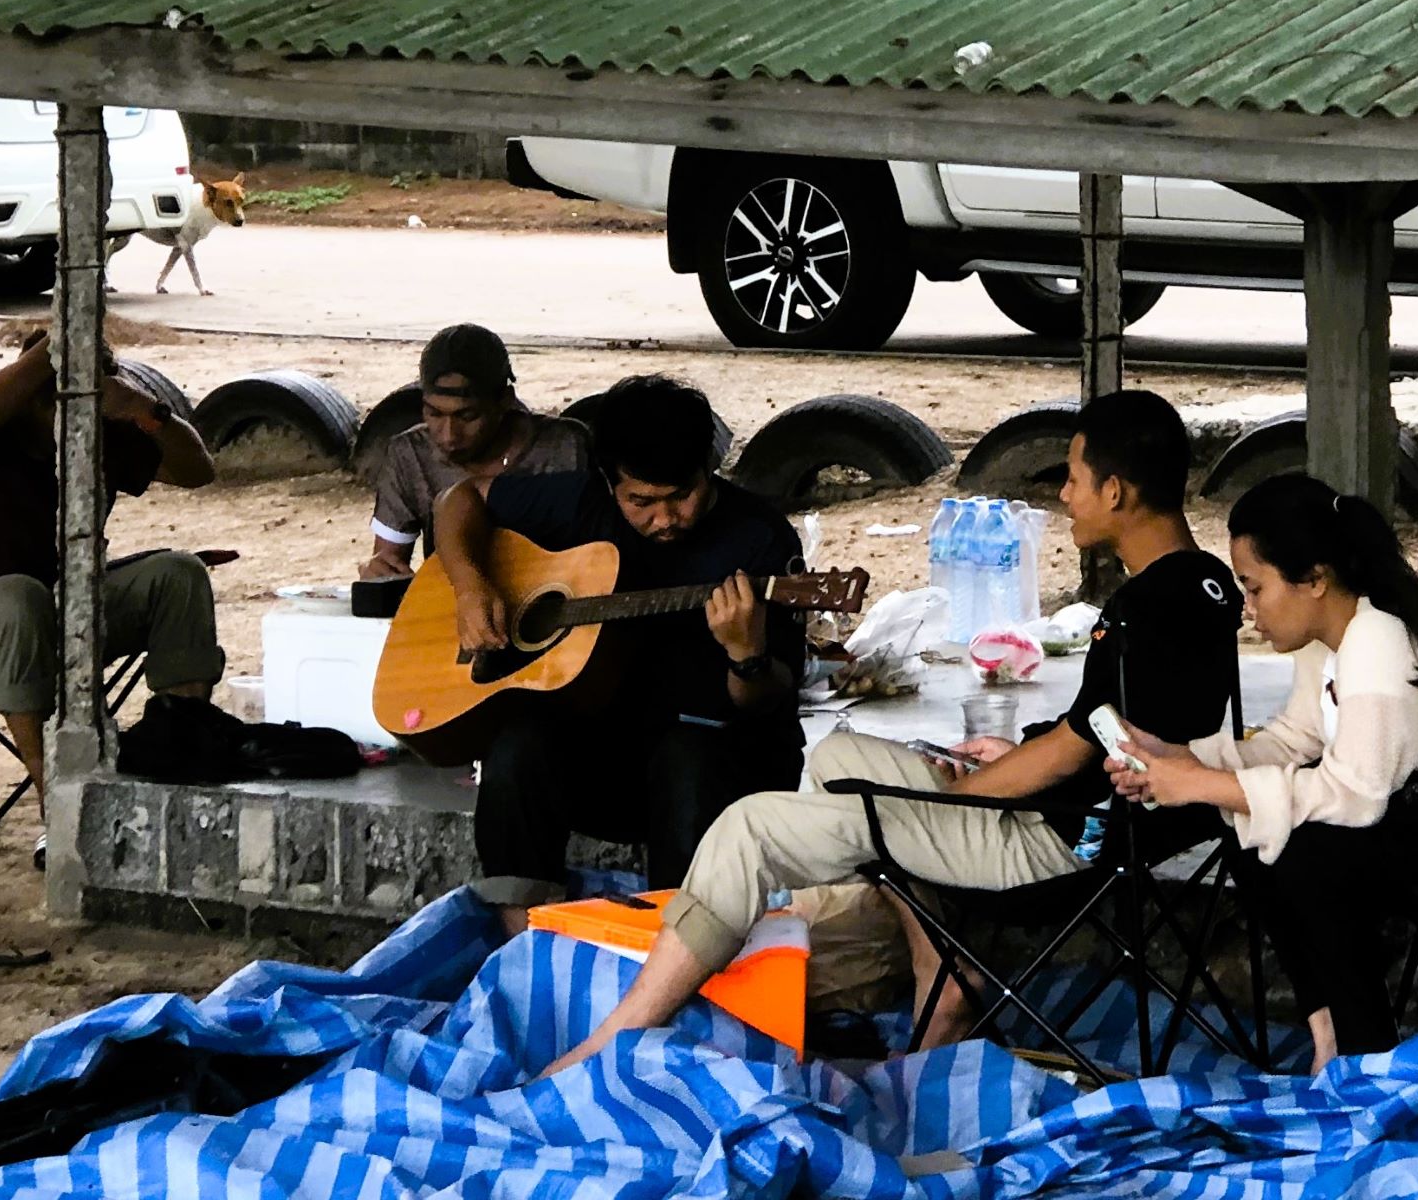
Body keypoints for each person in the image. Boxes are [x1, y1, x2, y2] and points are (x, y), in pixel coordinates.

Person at [537, 388, 1241, 1076]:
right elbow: (1121, 726)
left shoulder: (1141, 609)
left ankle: (612, 1042)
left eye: (1077, 479)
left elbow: (1067, 755)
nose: (1064, 496)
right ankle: (940, 966)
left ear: (1115, 492)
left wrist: (969, 792)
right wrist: (1013, 758)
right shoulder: (1204, 583)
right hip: (1115, 823)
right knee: (842, 752)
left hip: (1055, 846)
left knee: (748, 829)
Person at [1108, 472, 1418, 1067]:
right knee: (1257, 836)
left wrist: (1201, 784)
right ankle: (1329, 1028)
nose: (1247, 612)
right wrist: (1182, 758)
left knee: (1308, 853)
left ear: (1314, 580)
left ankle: (1361, 1057)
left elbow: (1355, 795)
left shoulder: (1377, 639)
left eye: (1254, 589)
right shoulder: (1331, 632)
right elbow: (1296, 738)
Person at [436, 374, 807, 934]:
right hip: (605, 759)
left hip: (721, 769)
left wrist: (746, 656)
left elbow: (764, 700)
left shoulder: (759, 540)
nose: (665, 518)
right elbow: (456, 499)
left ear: (708, 469)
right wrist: (469, 585)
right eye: (641, 501)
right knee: (516, 748)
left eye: (682, 495)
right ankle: (524, 941)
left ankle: (679, 950)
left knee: (689, 753)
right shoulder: (578, 503)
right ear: (609, 485)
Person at [0, 331, 223, 828]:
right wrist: (60, 340)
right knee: (19, 597)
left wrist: (146, 408)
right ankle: (58, 802)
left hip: (71, 605)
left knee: (178, 574)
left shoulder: (93, 427)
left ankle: (177, 758)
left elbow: (198, 470)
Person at [361, 324, 591, 580]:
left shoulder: (566, 448)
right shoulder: (411, 455)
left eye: (467, 416)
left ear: (505, 401)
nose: (448, 435)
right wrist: (381, 575)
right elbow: (388, 560)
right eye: (434, 414)